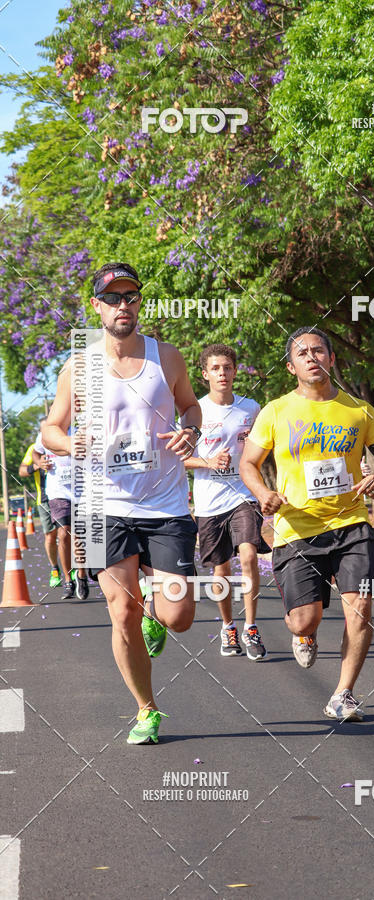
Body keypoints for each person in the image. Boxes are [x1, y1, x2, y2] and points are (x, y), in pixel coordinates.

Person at [42, 262, 202, 745]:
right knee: (121, 610)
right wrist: (73, 444)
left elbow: (191, 405)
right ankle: (146, 710)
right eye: (113, 299)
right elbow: (51, 429)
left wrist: (190, 430)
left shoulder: (166, 356)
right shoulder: (81, 366)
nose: (123, 305)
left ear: (139, 303)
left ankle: (158, 617)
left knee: (179, 615)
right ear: (97, 307)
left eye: (130, 296)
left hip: (166, 502)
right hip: (101, 505)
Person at [240, 327, 374, 721]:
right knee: (303, 619)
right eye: (302, 353)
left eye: (318, 350)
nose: (311, 357)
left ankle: (343, 694)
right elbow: (248, 464)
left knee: (360, 608)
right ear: (291, 366)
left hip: (352, 524)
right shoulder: (276, 411)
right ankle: (306, 633)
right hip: (297, 529)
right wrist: (264, 495)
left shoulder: (359, 410)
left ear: (331, 358)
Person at [184, 343, 270, 661]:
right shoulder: (195, 412)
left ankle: (250, 626)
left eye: (228, 367)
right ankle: (228, 626)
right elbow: (179, 460)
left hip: (243, 495)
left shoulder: (252, 408)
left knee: (248, 554)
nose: (223, 373)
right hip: (208, 503)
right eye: (216, 368)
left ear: (235, 371)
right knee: (221, 569)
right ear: (205, 374)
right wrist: (207, 462)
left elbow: (263, 449)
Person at [34, 426, 89, 600]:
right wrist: (39, 462)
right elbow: (36, 453)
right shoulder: (46, 433)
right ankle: (67, 580)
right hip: (58, 492)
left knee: (78, 535)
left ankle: (81, 575)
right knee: (64, 532)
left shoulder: (81, 429)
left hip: (82, 490)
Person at [18, 424, 60, 588]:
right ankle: (55, 569)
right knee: (51, 535)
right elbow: (22, 471)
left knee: (69, 534)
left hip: (68, 496)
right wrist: (37, 465)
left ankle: (76, 572)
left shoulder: (65, 441)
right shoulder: (34, 449)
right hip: (45, 498)